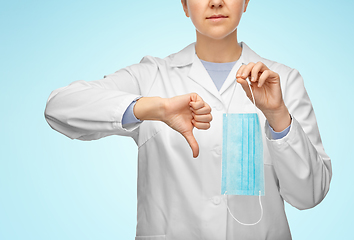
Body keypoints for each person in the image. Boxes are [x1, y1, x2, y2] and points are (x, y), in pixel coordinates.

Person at [44, 0, 332, 239]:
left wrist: (277, 115)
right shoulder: (152, 76)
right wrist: (151, 108)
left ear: (246, 2)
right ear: (184, 5)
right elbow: (60, 107)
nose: (216, 2)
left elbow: (310, 194)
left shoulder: (283, 80)